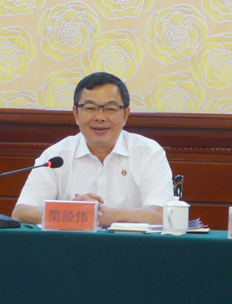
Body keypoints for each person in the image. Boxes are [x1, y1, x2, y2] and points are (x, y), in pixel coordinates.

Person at [11, 72, 173, 226]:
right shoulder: (56, 156)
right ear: (76, 114)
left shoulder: (148, 153)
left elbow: (162, 213)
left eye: (110, 109)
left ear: (125, 115)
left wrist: (110, 215)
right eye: (90, 108)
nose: (100, 117)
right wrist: (74, 212)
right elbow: (21, 212)